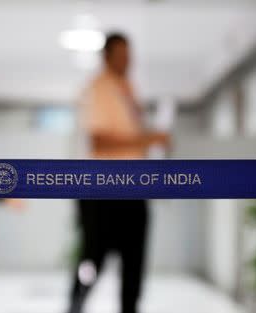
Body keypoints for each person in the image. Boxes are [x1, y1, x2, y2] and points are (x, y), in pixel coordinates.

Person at [68, 33, 169, 313]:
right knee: (92, 259)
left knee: (134, 264)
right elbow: (99, 141)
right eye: (122, 54)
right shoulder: (99, 88)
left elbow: (132, 137)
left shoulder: (129, 89)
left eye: (130, 54)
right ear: (107, 57)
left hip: (133, 188)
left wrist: (152, 142)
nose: (128, 60)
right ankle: (74, 307)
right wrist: (147, 140)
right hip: (102, 190)